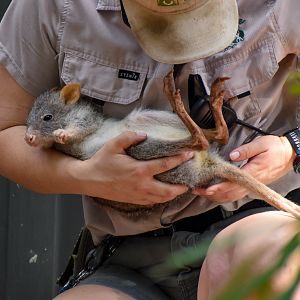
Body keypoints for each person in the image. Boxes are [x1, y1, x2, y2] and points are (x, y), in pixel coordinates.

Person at [0, 0, 299, 299]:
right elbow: (6, 130)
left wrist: (291, 148)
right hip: (131, 252)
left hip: (255, 220)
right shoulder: (56, 6)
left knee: (259, 270)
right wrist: (85, 175)